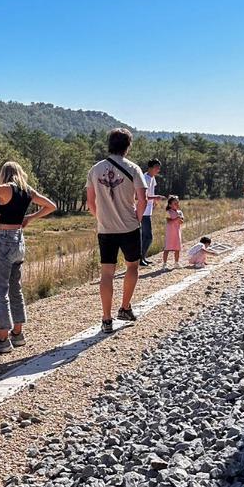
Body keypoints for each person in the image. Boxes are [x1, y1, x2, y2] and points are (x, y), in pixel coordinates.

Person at [0, 161, 57, 355]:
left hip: (4, 241)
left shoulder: (5, 189)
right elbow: (51, 206)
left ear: (4, 174)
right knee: (16, 289)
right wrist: (30, 218)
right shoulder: (27, 190)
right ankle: (18, 333)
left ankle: (3, 338)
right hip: (19, 241)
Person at [86, 128, 148, 334]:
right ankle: (125, 307)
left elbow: (90, 203)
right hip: (129, 227)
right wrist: (137, 219)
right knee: (132, 266)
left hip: (106, 229)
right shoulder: (134, 168)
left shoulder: (95, 170)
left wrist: (101, 219)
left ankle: (106, 318)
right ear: (127, 146)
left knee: (107, 272)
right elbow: (143, 199)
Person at [139, 159, 164, 265]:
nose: (158, 170)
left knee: (145, 236)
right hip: (143, 211)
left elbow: (151, 192)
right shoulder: (144, 178)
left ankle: (142, 258)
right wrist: (156, 197)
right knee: (148, 237)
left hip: (148, 210)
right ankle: (140, 259)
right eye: (156, 168)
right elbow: (141, 196)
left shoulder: (152, 178)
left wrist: (154, 202)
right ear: (150, 167)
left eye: (159, 168)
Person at [161, 196, 184, 268]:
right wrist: (176, 218)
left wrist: (180, 219)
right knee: (167, 248)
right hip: (170, 233)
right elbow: (169, 221)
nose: (177, 205)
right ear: (170, 205)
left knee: (177, 248)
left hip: (177, 233)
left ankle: (176, 263)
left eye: (177, 203)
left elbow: (181, 222)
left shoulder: (180, 212)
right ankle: (164, 264)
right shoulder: (168, 212)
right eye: (175, 203)